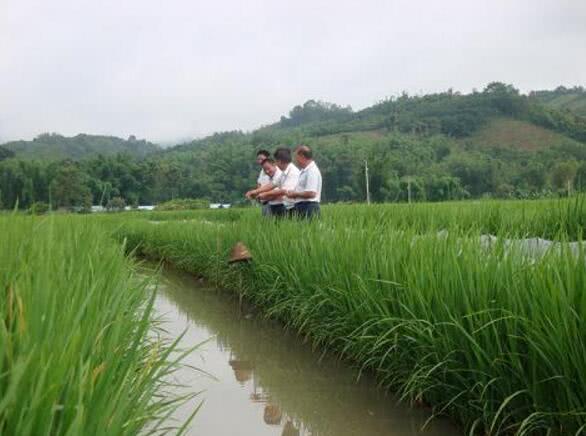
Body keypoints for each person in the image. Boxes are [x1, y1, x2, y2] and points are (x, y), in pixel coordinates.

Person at [256, 147, 300, 217]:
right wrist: (256, 192)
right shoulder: (284, 172)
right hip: (286, 206)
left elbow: (284, 191)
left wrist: (265, 194)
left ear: (279, 161)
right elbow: (274, 184)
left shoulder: (293, 172)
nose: (275, 164)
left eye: (276, 161)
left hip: (292, 207)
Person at [286, 145, 322, 219]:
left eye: (296, 157)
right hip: (303, 207)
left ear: (302, 156)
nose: (295, 160)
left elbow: (311, 193)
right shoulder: (305, 170)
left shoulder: (312, 171)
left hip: (309, 207)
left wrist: (295, 194)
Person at [246, 149, 271, 216]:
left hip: (271, 202)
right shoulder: (262, 171)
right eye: (258, 159)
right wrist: (254, 194)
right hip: (263, 202)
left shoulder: (271, 170)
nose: (260, 161)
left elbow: (272, 186)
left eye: (262, 159)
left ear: (267, 159)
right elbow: (259, 185)